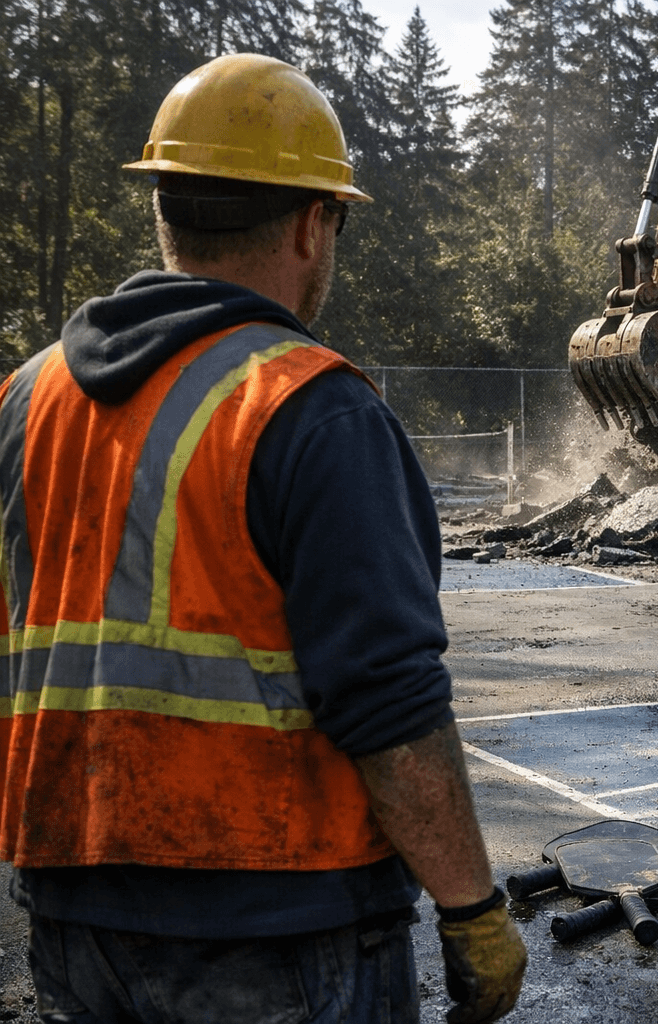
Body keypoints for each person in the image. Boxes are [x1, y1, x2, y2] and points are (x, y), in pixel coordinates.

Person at [0, 54, 526, 1023]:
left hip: (72, 918)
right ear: (310, 222)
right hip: (280, 924)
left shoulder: (27, 402)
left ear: (165, 207)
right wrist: (472, 911)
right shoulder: (310, 408)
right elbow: (391, 708)